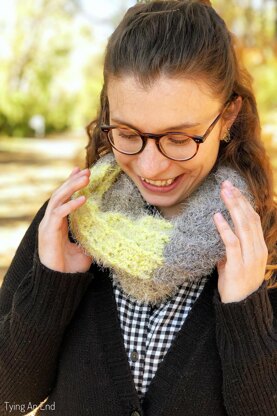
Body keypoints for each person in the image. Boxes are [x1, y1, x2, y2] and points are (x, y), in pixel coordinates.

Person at [0, 0, 276, 415]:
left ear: (228, 117)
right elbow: (10, 398)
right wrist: (52, 288)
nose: (150, 167)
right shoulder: (69, 221)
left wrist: (244, 312)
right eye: (127, 133)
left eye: (180, 139)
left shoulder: (266, 244)